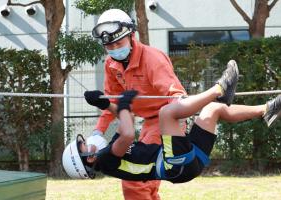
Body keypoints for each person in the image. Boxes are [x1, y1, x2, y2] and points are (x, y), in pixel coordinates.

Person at [64, 61, 281, 182]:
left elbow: (127, 120)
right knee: (166, 113)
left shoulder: (110, 150)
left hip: (186, 162)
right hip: (174, 165)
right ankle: (219, 88)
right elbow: (129, 133)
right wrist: (121, 106)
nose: (91, 142)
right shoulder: (107, 160)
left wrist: (104, 105)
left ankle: (266, 110)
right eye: (85, 147)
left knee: (213, 110)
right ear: (88, 160)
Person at [87, 8, 188, 199]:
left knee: (135, 178)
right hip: (147, 124)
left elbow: (175, 93)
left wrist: (180, 118)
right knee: (144, 180)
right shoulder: (111, 64)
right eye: (110, 46)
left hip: (166, 120)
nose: (115, 49)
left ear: (132, 36)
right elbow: (111, 102)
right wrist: (98, 132)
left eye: (119, 43)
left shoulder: (153, 58)